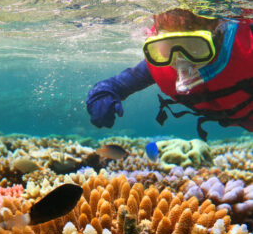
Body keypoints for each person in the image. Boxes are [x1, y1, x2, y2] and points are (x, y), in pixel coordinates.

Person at [86, 8, 253, 141]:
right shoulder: (161, 67)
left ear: (219, 36)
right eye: (167, 48)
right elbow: (115, 86)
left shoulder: (247, 51)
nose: (180, 61)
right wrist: (101, 93)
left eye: (194, 47)